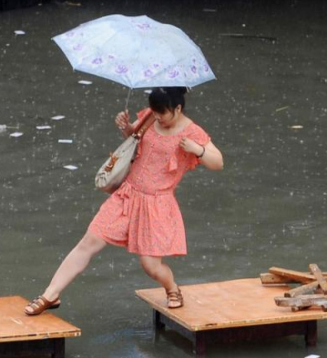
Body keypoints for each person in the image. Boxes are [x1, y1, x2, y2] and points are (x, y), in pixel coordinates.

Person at [25, 87, 223, 315]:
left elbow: (218, 162)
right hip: (127, 195)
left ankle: (172, 288)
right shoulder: (149, 116)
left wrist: (197, 149)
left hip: (156, 204)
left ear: (178, 108)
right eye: (155, 112)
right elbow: (134, 140)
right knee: (89, 241)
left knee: (151, 266)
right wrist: (127, 127)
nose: (157, 117)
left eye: (163, 113)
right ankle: (50, 295)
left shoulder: (192, 132)